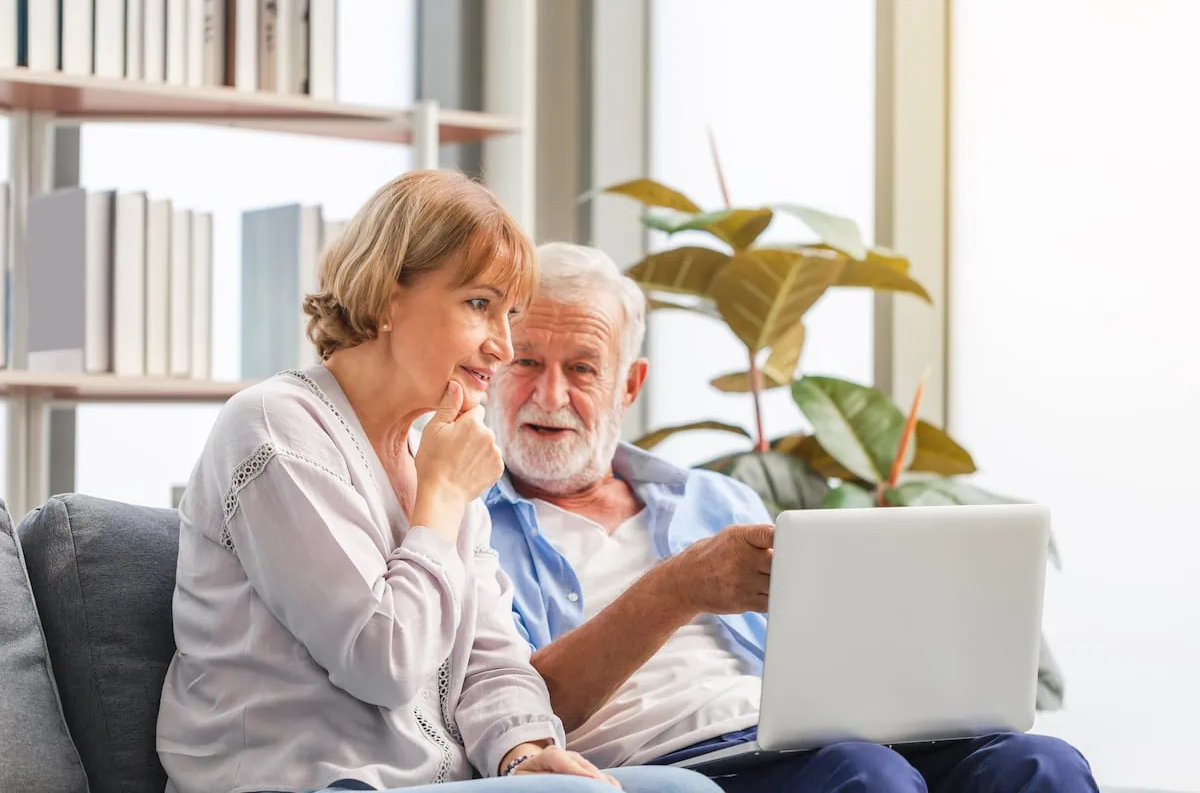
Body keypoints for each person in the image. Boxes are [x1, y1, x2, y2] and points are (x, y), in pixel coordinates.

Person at [157, 172, 721, 793]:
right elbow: (383, 662)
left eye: (510, 314)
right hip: (314, 783)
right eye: (480, 305)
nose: (503, 347)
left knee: (683, 790)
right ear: (388, 293)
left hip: (438, 783)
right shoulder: (274, 428)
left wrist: (521, 753)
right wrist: (443, 497)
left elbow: (489, 653)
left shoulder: (433, 451)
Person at [484, 241, 1100, 793]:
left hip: (797, 738)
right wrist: (679, 586)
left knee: (1043, 764)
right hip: (681, 763)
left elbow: (823, 652)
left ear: (629, 385)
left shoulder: (715, 499)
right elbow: (515, 712)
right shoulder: (472, 524)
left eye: (583, 367)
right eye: (527, 362)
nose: (551, 395)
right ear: (493, 369)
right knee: (867, 777)